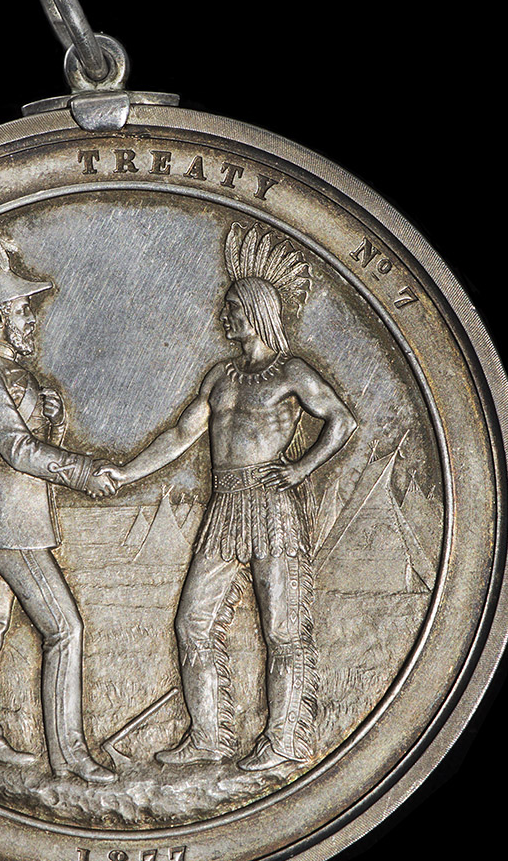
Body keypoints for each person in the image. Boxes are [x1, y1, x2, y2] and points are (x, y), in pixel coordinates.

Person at [99, 224, 357, 771]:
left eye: (234, 307)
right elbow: (179, 437)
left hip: (272, 504)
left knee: (281, 630)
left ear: (259, 313)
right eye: (226, 307)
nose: (225, 316)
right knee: (192, 621)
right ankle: (210, 736)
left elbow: (341, 419)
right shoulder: (220, 375)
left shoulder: (291, 372)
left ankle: (285, 740)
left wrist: (302, 468)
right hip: (225, 507)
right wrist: (125, 471)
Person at [0, 231, 116, 783]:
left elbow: (13, 439)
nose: (29, 320)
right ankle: (68, 757)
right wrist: (84, 469)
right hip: (9, 521)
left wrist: (54, 418)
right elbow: (16, 450)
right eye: (21, 311)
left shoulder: (6, 374)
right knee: (63, 628)